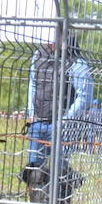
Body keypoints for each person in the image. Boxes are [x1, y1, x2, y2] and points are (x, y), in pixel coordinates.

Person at [26, 26, 92, 178]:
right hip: (37, 122)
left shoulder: (76, 62)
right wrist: (31, 113)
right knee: (34, 171)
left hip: (61, 125)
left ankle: (59, 198)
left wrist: (65, 120)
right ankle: (37, 200)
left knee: (59, 172)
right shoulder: (38, 55)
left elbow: (85, 96)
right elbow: (33, 85)